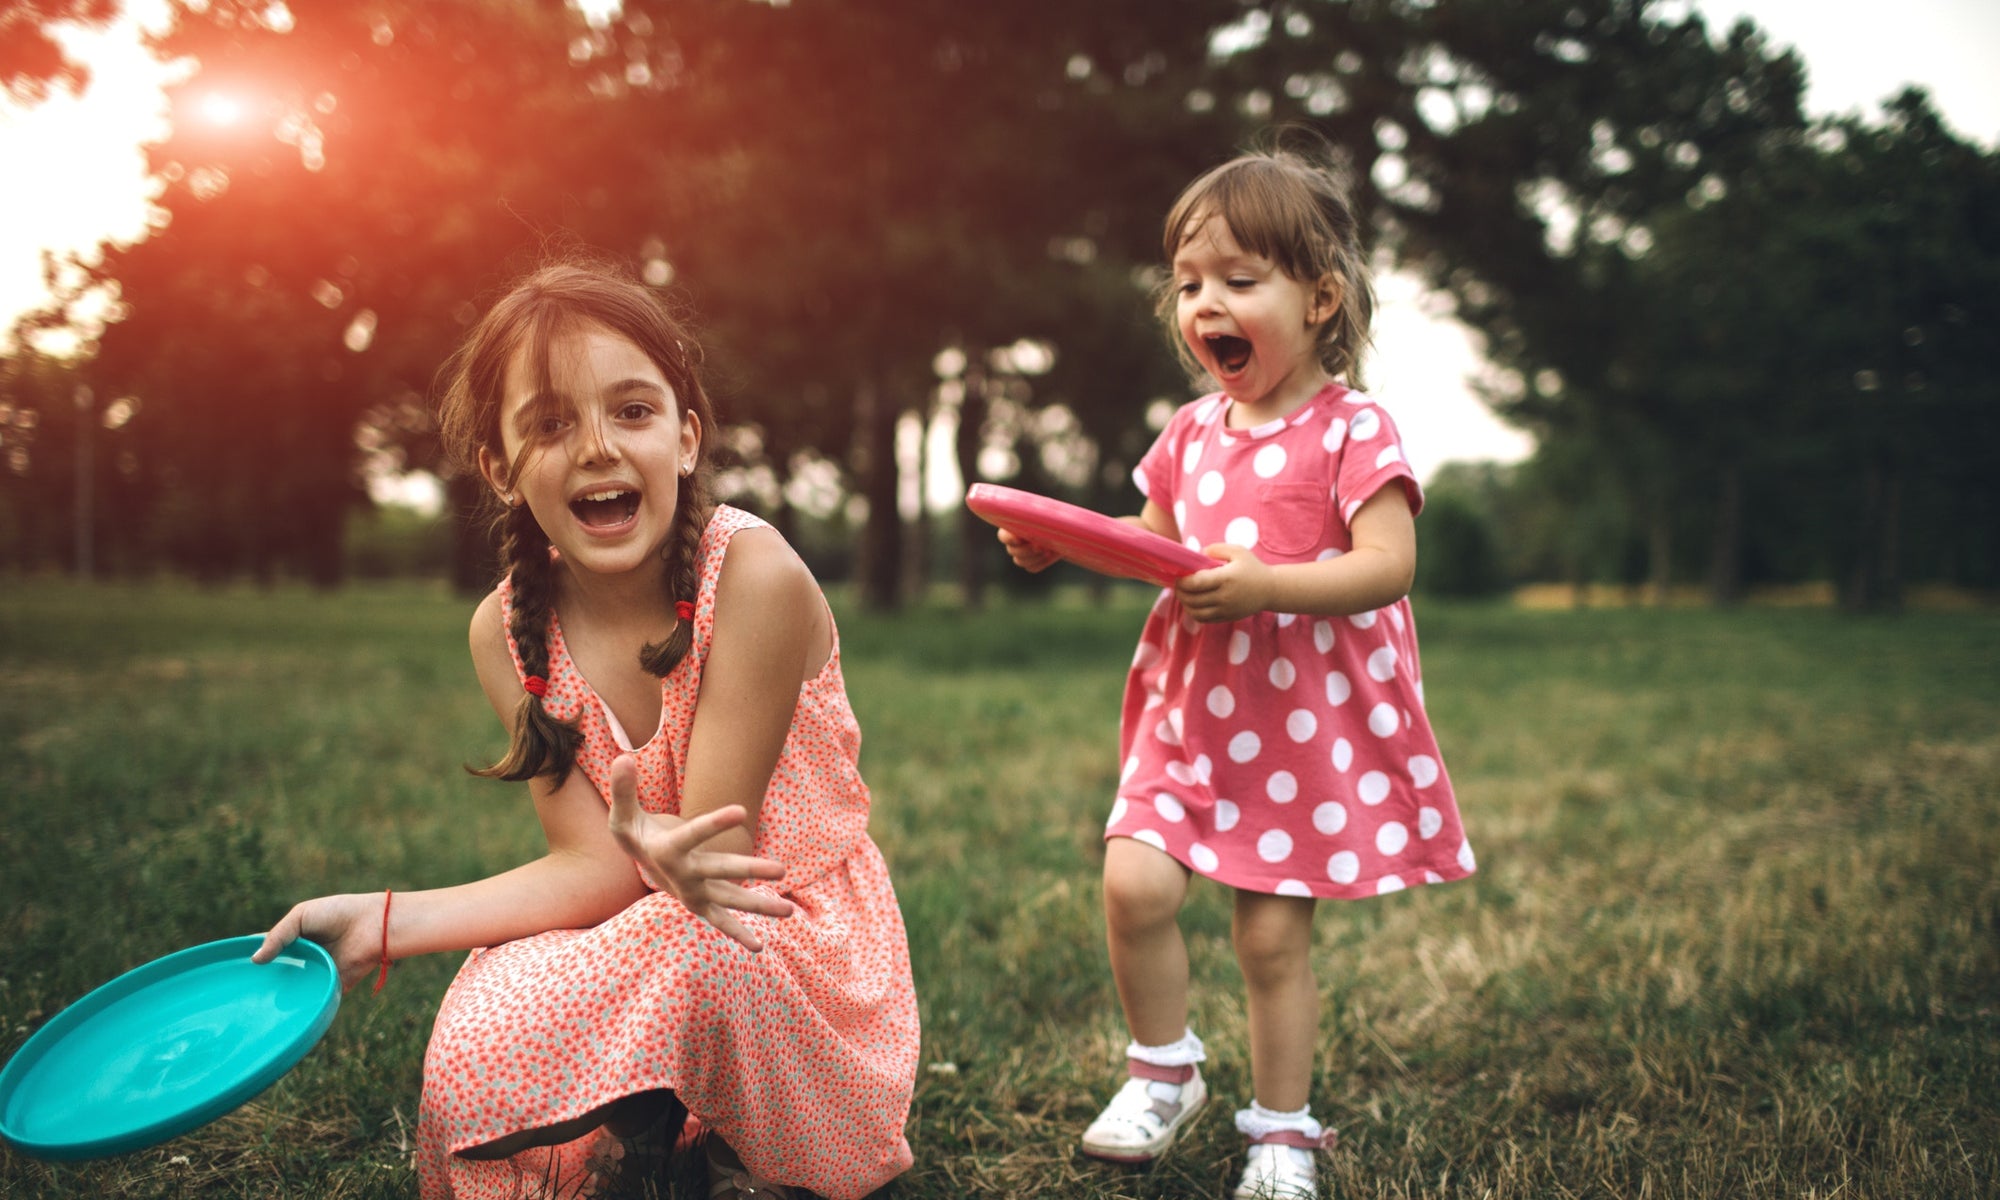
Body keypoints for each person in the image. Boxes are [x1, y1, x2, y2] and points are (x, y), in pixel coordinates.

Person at [253, 259, 919, 1200]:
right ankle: (657, 1147)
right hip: (653, 922)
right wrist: (384, 920)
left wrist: (662, 853)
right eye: (552, 423)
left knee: (696, 949)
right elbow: (592, 868)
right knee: (477, 1021)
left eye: (633, 411)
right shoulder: (507, 631)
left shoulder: (755, 577)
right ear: (502, 465)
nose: (599, 447)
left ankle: (765, 1155)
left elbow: (712, 859)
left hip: (781, 935)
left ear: (686, 440)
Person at [997, 132, 1475, 1200]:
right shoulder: (1189, 432)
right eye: (1186, 284)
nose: (1204, 303)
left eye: (1237, 280)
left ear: (1318, 298)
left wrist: (1267, 584)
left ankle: (1281, 1130)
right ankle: (1164, 1072)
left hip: (1298, 722)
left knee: (1267, 939)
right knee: (1131, 879)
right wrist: (1064, 541)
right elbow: (1154, 539)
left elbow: (1388, 566)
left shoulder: (1352, 428)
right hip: (1191, 711)